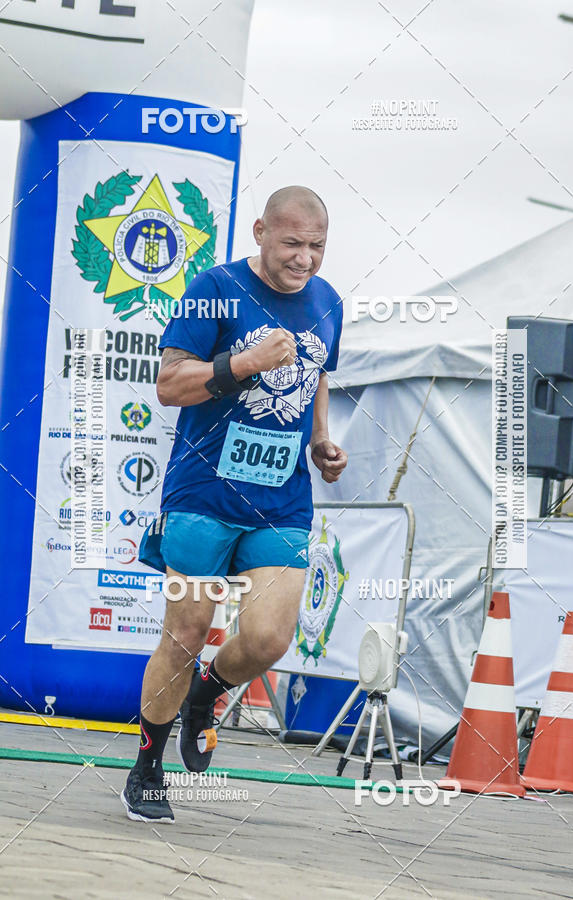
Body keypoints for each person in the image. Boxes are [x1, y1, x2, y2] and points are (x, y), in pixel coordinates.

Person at [121, 186, 347, 822]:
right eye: (292, 243)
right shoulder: (214, 289)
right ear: (259, 232)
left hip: (282, 499)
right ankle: (146, 768)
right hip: (203, 495)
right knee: (186, 633)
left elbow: (319, 372)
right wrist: (243, 362)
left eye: (317, 246)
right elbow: (168, 386)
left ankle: (208, 693)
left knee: (271, 638)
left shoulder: (328, 301)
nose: (305, 259)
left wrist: (323, 439)